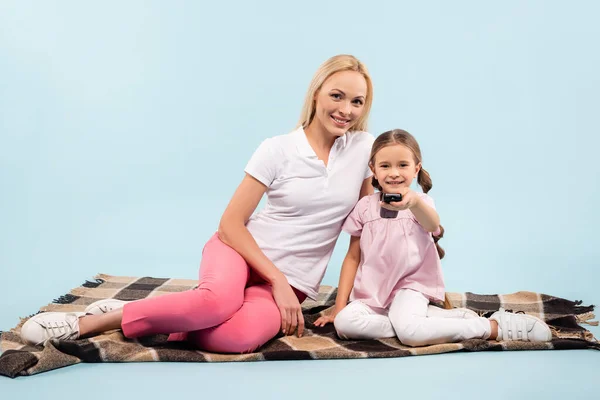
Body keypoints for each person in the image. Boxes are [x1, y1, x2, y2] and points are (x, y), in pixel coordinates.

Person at [20, 54, 377, 353]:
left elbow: (362, 231)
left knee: (237, 337)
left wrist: (342, 305)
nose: (346, 109)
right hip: (239, 251)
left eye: (356, 102)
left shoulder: (364, 150)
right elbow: (231, 223)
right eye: (337, 96)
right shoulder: (278, 149)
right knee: (216, 304)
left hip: (293, 281)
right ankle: (88, 323)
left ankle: (155, 313)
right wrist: (277, 281)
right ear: (316, 94)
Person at [314, 129, 552, 345]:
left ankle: (491, 327)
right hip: (373, 294)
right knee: (344, 324)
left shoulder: (421, 203)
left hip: (410, 288)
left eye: (403, 165)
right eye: (385, 166)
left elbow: (433, 224)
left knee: (410, 335)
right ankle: (432, 320)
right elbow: (352, 257)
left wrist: (414, 203)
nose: (394, 173)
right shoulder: (365, 207)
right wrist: (339, 307)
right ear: (373, 169)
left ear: (416, 168)